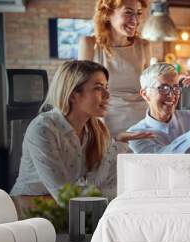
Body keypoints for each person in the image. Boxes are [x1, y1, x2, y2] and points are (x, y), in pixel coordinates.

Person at [10, 60, 154, 207]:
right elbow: (63, 195)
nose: (107, 95)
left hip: (70, 207)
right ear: (73, 94)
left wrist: (119, 142)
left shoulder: (96, 129)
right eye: (98, 88)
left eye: (106, 87)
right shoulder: (43, 128)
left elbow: (96, 181)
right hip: (33, 209)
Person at [78, 0, 190, 137]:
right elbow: (83, 93)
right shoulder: (89, 45)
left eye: (138, 13)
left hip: (144, 124)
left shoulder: (143, 45)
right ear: (107, 13)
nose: (135, 20)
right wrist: (97, 131)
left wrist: (178, 78)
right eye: (128, 12)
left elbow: (152, 81)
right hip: (105, 126)